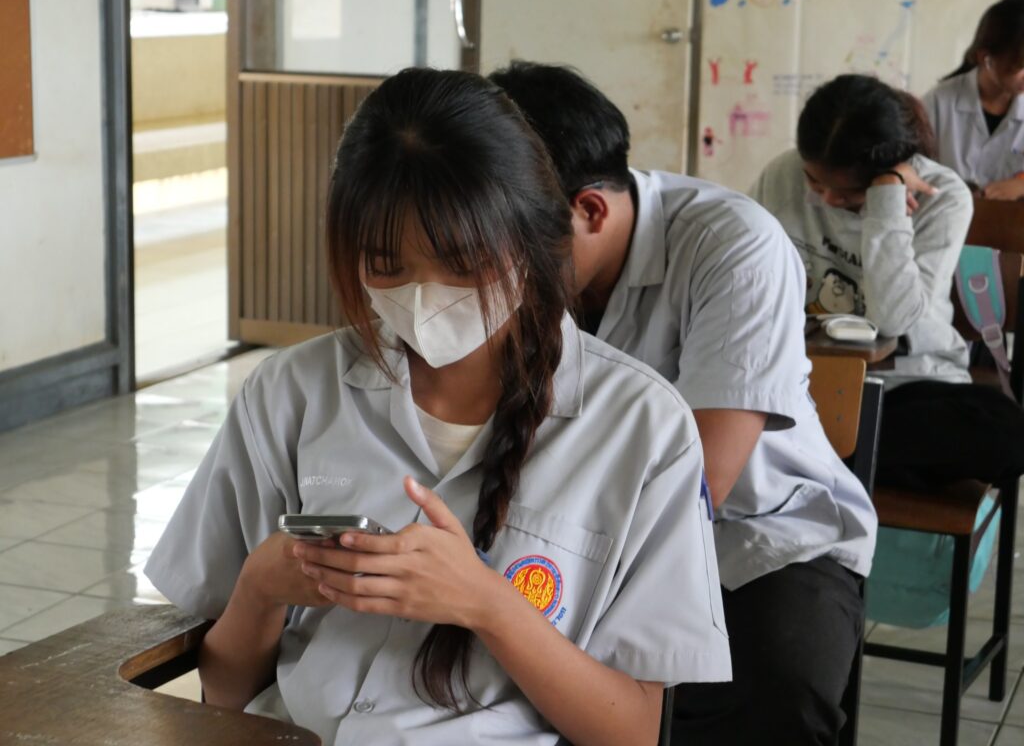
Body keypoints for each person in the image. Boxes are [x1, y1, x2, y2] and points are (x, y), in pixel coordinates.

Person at [143, 68, 731, 746]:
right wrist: (260, 587)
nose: (424, 296)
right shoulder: (289, 393)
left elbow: (632, 731)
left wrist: (487, 605)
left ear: (531, 241)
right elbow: (224, 694)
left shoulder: (641, 426)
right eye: (386, 265)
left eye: (463, 262)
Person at [490, 61, 876, 746]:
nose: (495, 267)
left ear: (589, 211)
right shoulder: (514, 262)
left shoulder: (734, 245)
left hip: (756, 539)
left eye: (511, 244)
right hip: (569, 531)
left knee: (774, 693)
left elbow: (704, 485)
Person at [752, 73, 1024, 495]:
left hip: (905, 384)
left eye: (847, 194)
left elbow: (894, 319)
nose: (826, 199)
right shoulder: (783, 173)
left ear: (891, 171)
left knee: (1006, 433)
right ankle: (839, 458)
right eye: (814, 182)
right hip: (805, 380)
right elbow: (745, 276)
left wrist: (886, 204)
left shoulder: (944, 197)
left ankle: (813, 456)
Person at [923, 0, 1024, 198]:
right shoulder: (938, 103)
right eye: (1018, 67)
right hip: (946, 214)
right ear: (985, 58)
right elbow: (912, 170)